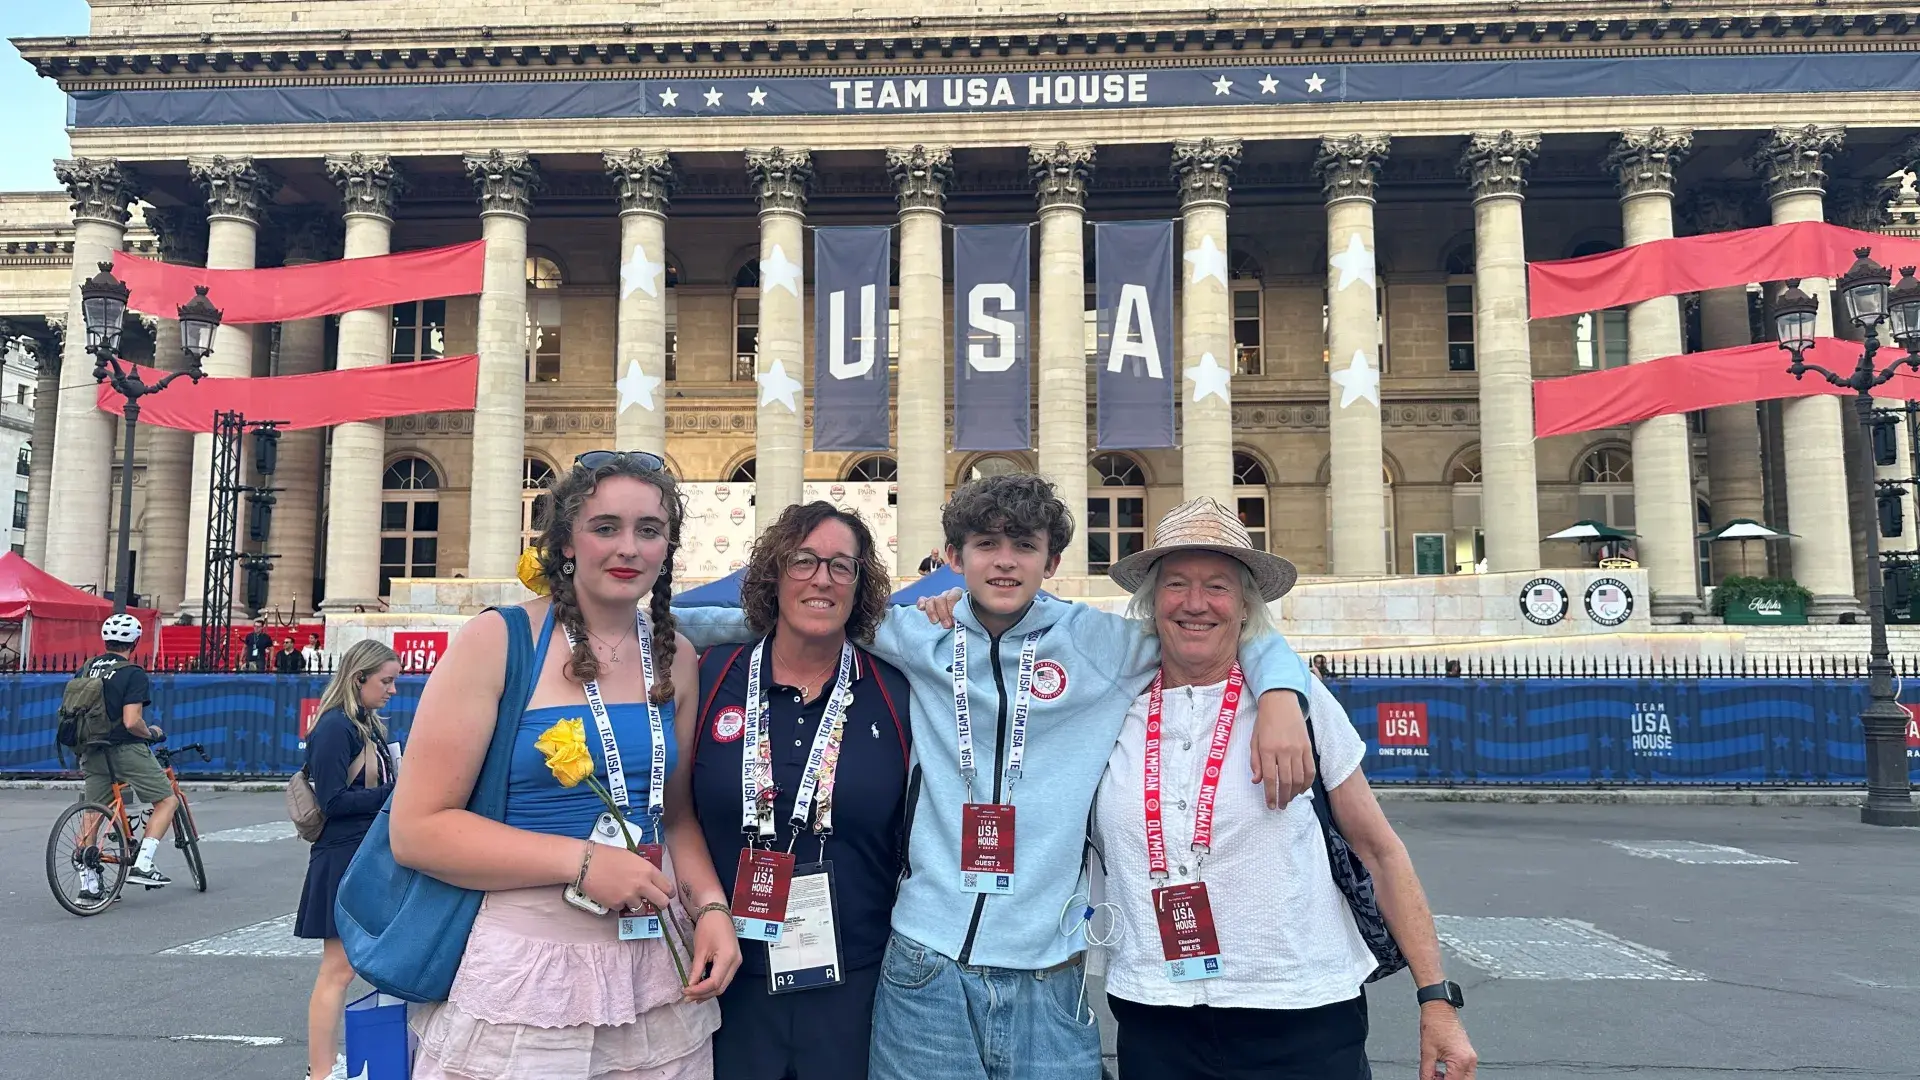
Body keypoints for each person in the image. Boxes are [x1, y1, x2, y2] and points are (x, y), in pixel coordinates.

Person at [680, 472, 1316, 1080]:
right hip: (925, 963)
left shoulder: (1098, 644)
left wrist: (1282, 693)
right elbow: (794, 613)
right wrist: (643, 625)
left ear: (1053, 561)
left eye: (1024, 546)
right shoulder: (915, 634)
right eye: (986, 544)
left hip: (1048, 971)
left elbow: (1214, 628)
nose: (1005, 562)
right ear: (955, 557)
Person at [1093, 498, 1476, 1080]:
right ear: (1151, 600)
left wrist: (1437, 1000)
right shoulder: (1110, 705)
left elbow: (1379, 851)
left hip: (1299, 1011)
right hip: (1154, 1012)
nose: (1195, 602)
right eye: (1176, 583)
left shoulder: (1302, 703)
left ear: (1246, 606)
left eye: (1217, 586)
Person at [389, 451, 737, 1080]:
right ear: (566, 543)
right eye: (605, 527)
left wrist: (711, 908)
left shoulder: (678, 657)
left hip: (654, 970)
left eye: (648, 530)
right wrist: (582, 862)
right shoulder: (498, 641)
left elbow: (676, 816)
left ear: (666, 549)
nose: (627, 547)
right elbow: (417, 830)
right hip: (526, 970)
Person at [689, 501, 911, 1080]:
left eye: (842, 566)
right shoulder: (710, 675)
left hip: (854, 977)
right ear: (774, 573)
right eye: (803, 560)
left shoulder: (896, 690)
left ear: (860, 584)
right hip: (721, 971)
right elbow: (673, 810)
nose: (822, 579)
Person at [296, 639, 401, 1080]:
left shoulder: (364, 724)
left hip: (363, 854)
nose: (392, 690)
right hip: (341, 856)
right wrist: (394, 793)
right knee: (337, 969)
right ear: (359, 679)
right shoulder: (335, 727)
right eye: (386, 681)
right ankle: (320, 1071)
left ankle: (332, 1066)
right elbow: (333, 801)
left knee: (353, 967)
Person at [76, 613, 176, 894]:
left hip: (91, 749)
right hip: (124, 749)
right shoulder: (132, 673)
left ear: (104, 640)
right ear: (135, 642)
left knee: (93, 813)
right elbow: (132, 722)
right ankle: (143, 864)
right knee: (167, 801)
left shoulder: (86, 668)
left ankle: (89, 884)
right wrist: (151, 733)